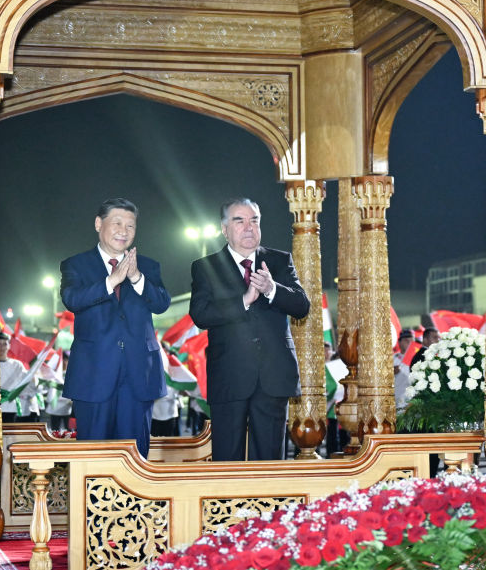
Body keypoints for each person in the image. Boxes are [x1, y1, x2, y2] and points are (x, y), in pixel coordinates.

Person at [190, 197, 310, 461]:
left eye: (254, 221)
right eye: (240, 221)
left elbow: (302, 306)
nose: (249, 228)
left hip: (273, 376)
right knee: (227, 459)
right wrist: (243, 301)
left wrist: (272, 289)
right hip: (229, 377)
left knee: (269, 460)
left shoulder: (279, 261)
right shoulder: (206, 267)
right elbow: (200, 314)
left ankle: (268, 492)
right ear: (224, 229)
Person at [60, 198, 171, 458]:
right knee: (93, 456)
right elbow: (72, 300)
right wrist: (111, 281)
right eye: (117, 223)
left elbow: (162, 304)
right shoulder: (76, 265)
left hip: (138, 376)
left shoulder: (148, 266)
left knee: (135, 455)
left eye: (130, 226)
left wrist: (136, 278)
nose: (124, 231)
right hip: (93, 375)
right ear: (98, 224)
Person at [0, 332, 40, 423]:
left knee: (10, 431)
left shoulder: (17, 365)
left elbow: (26, 383)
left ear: (9, 346)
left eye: (4, 344)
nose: (1, 347)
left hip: (10, 407)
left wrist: (34, 379)